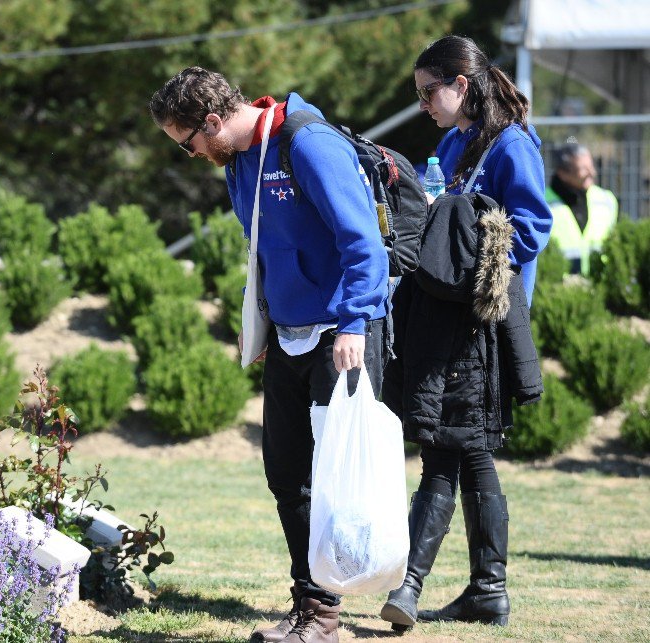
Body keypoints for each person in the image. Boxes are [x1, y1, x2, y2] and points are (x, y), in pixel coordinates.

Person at [150, 67, 389, 643]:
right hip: (286, 333)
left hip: (341, 332)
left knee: (334, 481)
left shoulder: (308, 142)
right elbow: (263, 247)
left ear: (212, 121)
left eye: (189, 143)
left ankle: (325, 615)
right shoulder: (239, 161)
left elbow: (363, 242)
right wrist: (254, 318)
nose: (192, 154)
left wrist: (354, 323)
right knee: (286, 473)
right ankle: (310, 604)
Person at [379, 35, 551, 632]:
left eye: (430, 91)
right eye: (420, 94)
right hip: (439, 322)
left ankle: (411, 585)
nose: (424, 104)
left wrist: (472, 254)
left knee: (447, 453)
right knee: (468, 451)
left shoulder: (511, 144)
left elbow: (530, 230)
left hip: (481, 325)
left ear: (462, 83)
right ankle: (487, 592)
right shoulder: (453, 141)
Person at [546, 140, 619, 275]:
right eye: (583, 169)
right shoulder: (543, 203)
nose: (592, 173)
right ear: (563, 174)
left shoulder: (606, 199)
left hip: (599, 283)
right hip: (557, 287)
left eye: (591, 166)